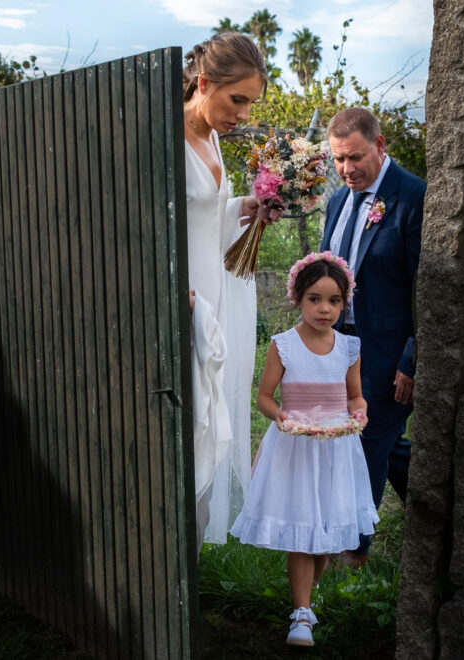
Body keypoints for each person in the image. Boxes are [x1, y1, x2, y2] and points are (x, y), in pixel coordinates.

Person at [230, 252, 379, 647]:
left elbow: (355, 397)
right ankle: (300, 614)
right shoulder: (284, 345)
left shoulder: (348, 348)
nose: (324, 309)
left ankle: (307, 600)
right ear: (297, 297)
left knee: (326, 530)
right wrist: (282, 418)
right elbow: (264, 397)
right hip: (296, 446)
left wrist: (359, 413)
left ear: (344, 302)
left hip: (334, 448)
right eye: (314, 298)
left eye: (333, 300)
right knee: (302, 531)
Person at [319, 107, 425, 568]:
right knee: (384, 442)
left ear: (380, 146)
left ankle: (354, 552)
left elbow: (430, 288)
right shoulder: (339, 200)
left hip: (388, 356)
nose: (347, 170)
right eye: (339, 160)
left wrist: (413, 359)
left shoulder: (414, 197)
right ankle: (441, 507)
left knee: (364, 445)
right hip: (340, 350)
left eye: (356, 157)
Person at [182, 32, 270, 548]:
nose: (241, 115)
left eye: (250, 104)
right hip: (182, 303)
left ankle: (188, 563)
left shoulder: (212, 137)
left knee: (210, 424)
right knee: (192, 426)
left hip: (211, 297)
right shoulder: (166, 138)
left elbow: (207, 221)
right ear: (204, 82)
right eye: (237, 100)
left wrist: (245, 207)